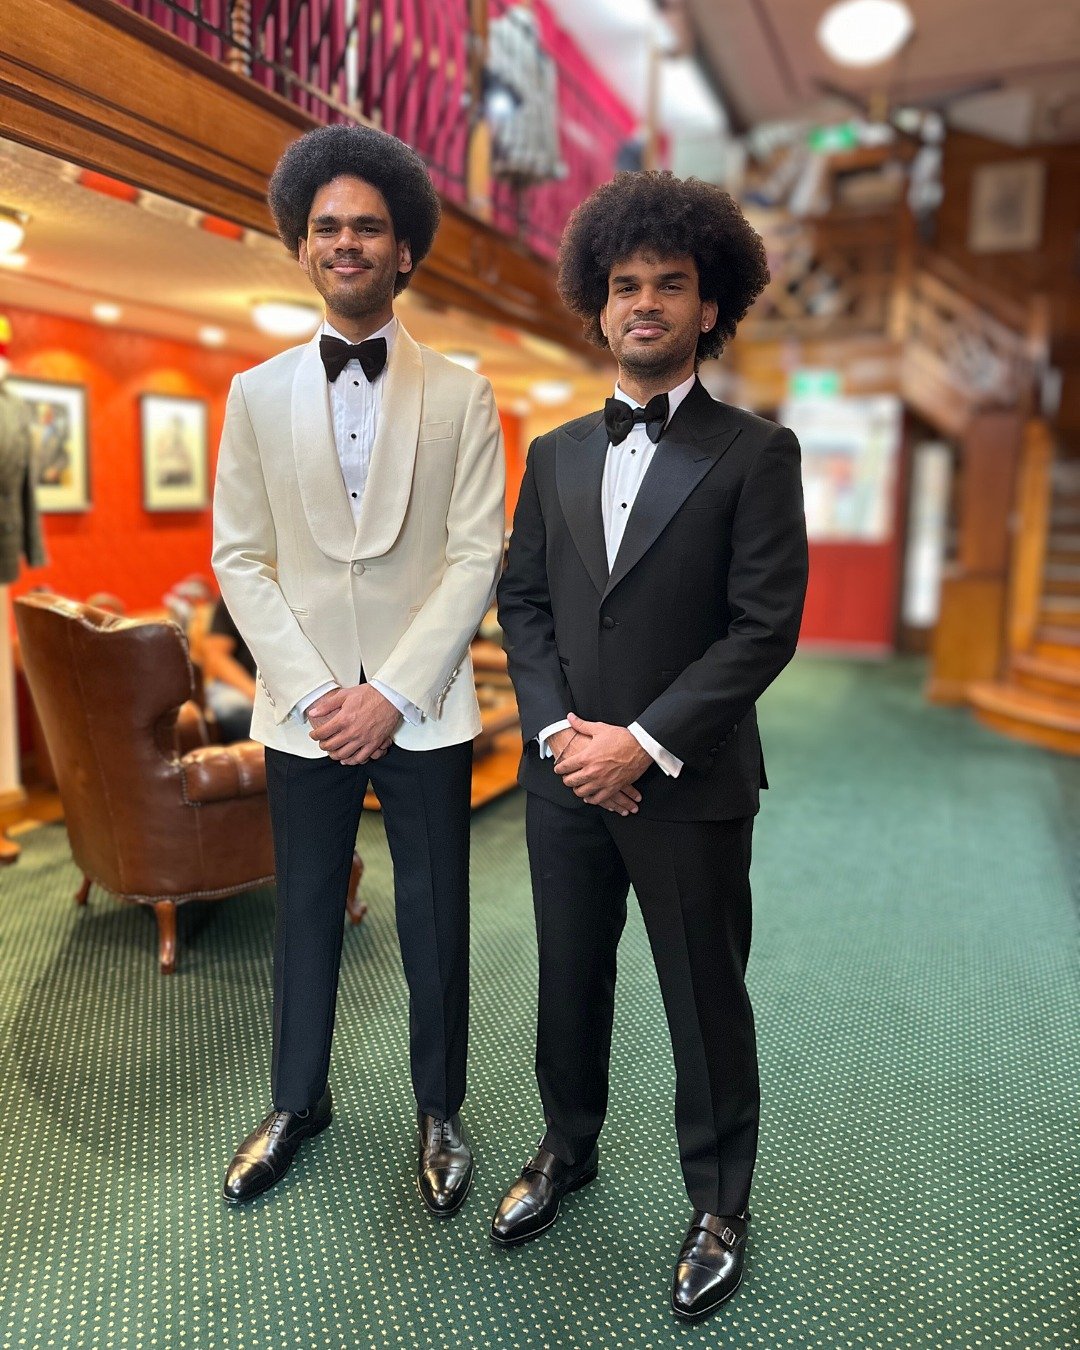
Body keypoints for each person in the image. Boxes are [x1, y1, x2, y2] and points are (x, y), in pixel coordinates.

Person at [493, 171, 808, 1322]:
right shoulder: (556, 452)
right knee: (568, 983)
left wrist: (645, 742)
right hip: (568, 775)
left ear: (709, 305)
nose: (644, 304)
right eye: (624, 286)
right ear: (598, 301)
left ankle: (720, 1200)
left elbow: (763, 628)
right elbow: (522, 601)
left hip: (690, 783)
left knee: (702, 996)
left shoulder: (756, 452)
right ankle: (567, 1150)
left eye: (669, 285)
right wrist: (558, 733)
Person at [212, 124, 506, 1216]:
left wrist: (392, 692)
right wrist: (318, 691)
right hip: (303, 714)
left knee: (436, 920)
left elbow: (478, 551)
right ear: (302, 245)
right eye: (327, 225)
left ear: (404, 248)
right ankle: (298, 1101)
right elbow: (238, 556)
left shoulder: (466, 394)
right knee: (304, 915)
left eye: (368, 226)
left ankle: (440, 1109)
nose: (346, 242)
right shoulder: (253, 393)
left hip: (422, 712)